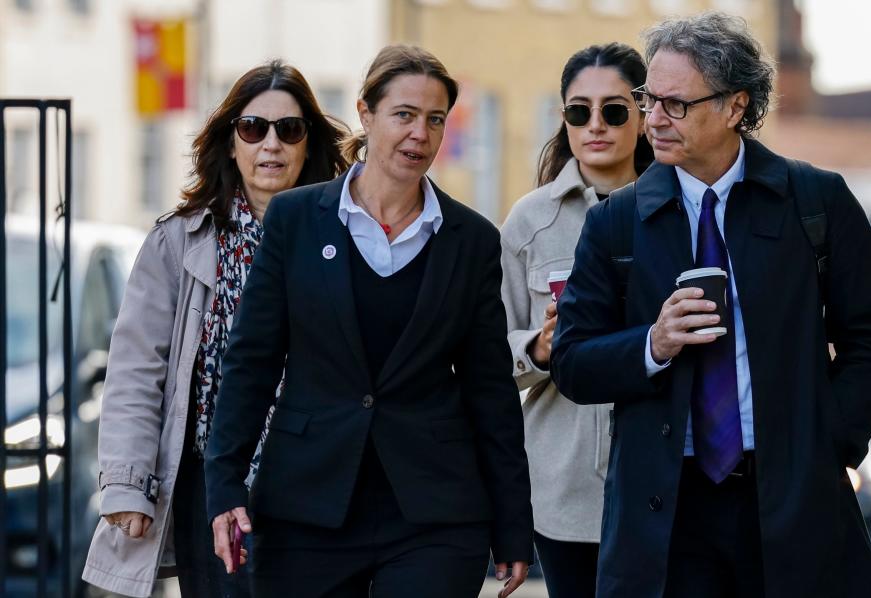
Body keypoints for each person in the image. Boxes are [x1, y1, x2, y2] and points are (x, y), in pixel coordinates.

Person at [551, 12, 871, 598]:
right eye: (647, 99)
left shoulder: (815, 201)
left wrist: (829, 443)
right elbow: (572, 363)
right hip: (667, 513)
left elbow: (868, 340)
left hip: (790, 499)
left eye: (675, 104)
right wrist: (652, 344)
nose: (652, 119)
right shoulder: (616, 222)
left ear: (736, 106)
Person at [203, 45, 534, 598]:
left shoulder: (472, 240)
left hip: (434, 513)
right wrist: (225, 483)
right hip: (307, 505)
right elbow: (252, 362)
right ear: (366, 113)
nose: (419, 135)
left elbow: (490, 391)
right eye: (404, 115)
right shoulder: (295, 220)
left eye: (434, 120)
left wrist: (513, 526)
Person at [82, 60, 348, 598]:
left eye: (288, 130)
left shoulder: (345, 236)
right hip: (215, 481)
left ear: (306, 144)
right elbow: (137, 369)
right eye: (253, 128)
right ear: (231, 143)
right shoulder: (178, 243)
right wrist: (127, 485)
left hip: (323, 481)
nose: (270, 144)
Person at [499, 42, 653, 598]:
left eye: (614, 111)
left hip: (666, 475)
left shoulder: (681, 210)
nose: (596, 126)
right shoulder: (530, 221)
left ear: (644, 113)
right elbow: (488, 358)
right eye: (578, 111)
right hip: (565, 488)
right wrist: (539, 348)